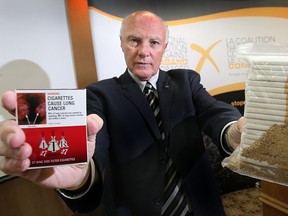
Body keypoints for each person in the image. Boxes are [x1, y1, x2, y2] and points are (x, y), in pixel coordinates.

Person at [0, 11, 244, 216]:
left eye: (154, 43)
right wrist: (80, 176)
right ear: (122, 44)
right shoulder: (99, 94)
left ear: (164, 48)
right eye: (134, 40)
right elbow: (93, 150)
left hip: (201, 206)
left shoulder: (186, 81)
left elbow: (212, 110)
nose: (144, 51)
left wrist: (233, 131)